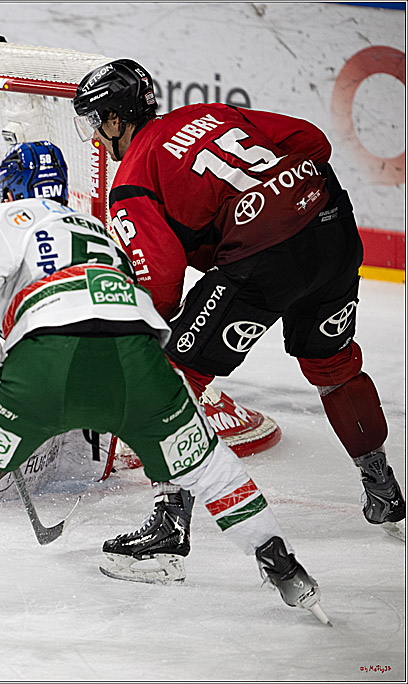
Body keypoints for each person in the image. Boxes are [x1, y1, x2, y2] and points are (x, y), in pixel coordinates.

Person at [0, 141, 329, 638]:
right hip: (140, 362)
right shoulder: (98, 228)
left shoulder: (6, 217)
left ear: (9, 188)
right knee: (212, 471)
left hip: (45, 361)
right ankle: (287, 570)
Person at [71, 59, 405, 578]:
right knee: (333, 363)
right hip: (331, 226)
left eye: (97, 122)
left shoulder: (133, 177)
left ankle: (169, 526)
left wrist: (141, 339)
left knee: (171, 378)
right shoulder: (209, 112)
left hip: (263, 254)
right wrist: (278, 196)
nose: (96, 136)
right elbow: (314, 141)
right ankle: (382, 488)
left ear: (115, 119)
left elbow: (161, 283)